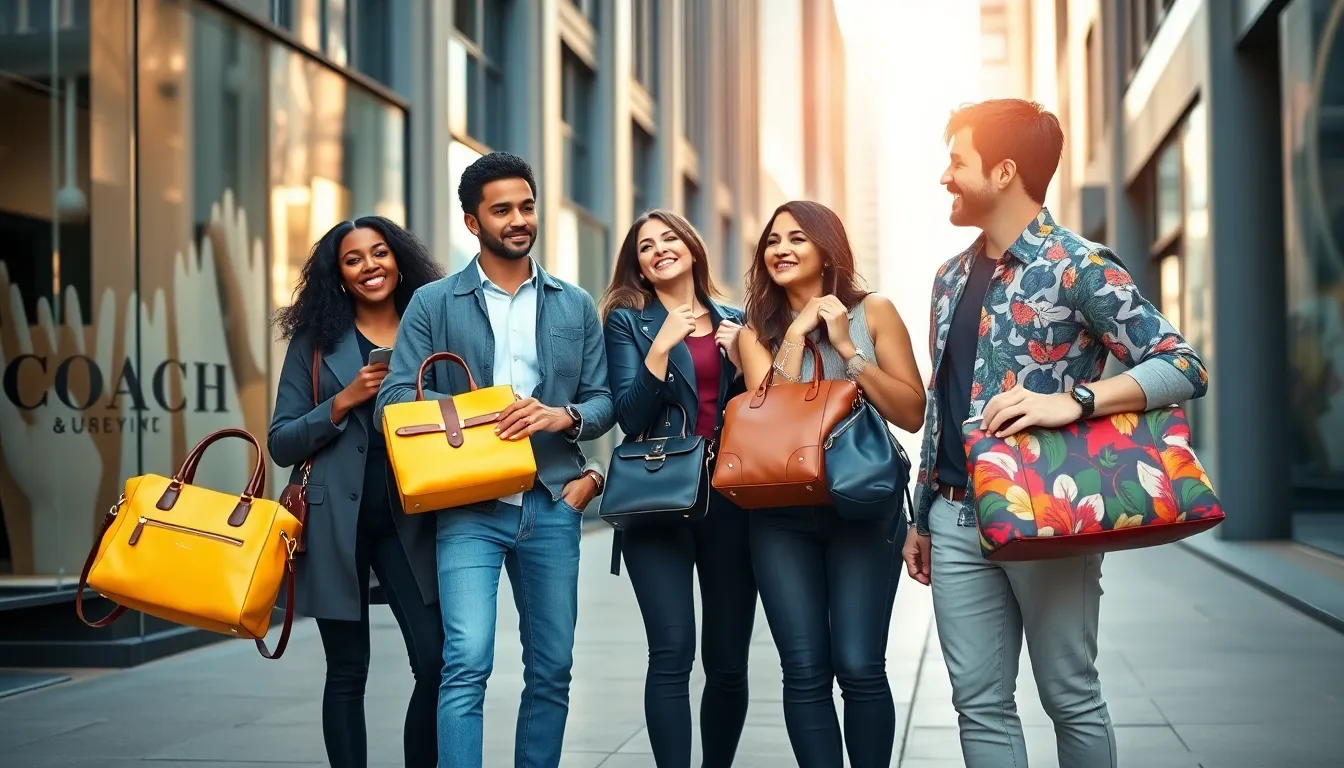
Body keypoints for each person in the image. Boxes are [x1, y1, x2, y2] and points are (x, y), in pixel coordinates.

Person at [903, 98, 1209, 768]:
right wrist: (921, 514)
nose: (945, 176)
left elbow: (1182, 366)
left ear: (1005, 170)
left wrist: (1076, 400)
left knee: (1069, 694)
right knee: (978, 704)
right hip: (955, 518)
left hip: (1050, 512)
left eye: (957, 161)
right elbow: (940, 401)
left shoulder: (1079, 265)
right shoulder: (948, 277)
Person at [374, 151, 615, 768]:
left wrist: (563, 417)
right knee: (466, 663)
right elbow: (395, 400)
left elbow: (605, 399)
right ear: (471, 221)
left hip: (552, 503)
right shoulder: (433, 303)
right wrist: (475, 415)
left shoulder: (574, 304)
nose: (518, 220)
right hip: (469, 509)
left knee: (552, 667)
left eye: (527, 206)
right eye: (501, 209)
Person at [736, 200, 926, 768]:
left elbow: (912, 412)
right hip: (780, 514)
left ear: (827, 250)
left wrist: (846, 349)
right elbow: (770, 416)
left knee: (860, 664)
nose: (781, 249)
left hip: (864, 504)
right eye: (772, 240)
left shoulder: (876, 312)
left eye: (797, 238)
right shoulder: (755, 333)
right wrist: (794, 335)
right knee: (805, 669)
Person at [268, 216, 446, 768]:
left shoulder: (431, 331)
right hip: (332, 525)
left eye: (379, 253)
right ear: (338, 276)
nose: (370, 266)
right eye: (353, 259)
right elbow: (281, 442)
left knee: (437, 663)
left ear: (399, 261)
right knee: (347, 672)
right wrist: (343, 401)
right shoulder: (316, 345)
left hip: (410, 519)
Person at [599, 210, 757, 768]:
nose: (659, 249)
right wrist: (660, 349)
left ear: (692, 247)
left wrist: (744, 358)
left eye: (669, 238)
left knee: (728, 660)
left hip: (730, 503)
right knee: (671, 652)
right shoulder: (627, 321)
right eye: (646, 246)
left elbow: (758, 410)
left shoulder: (736, 320)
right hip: (657, 498)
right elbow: (628, 415)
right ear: (638, 266)